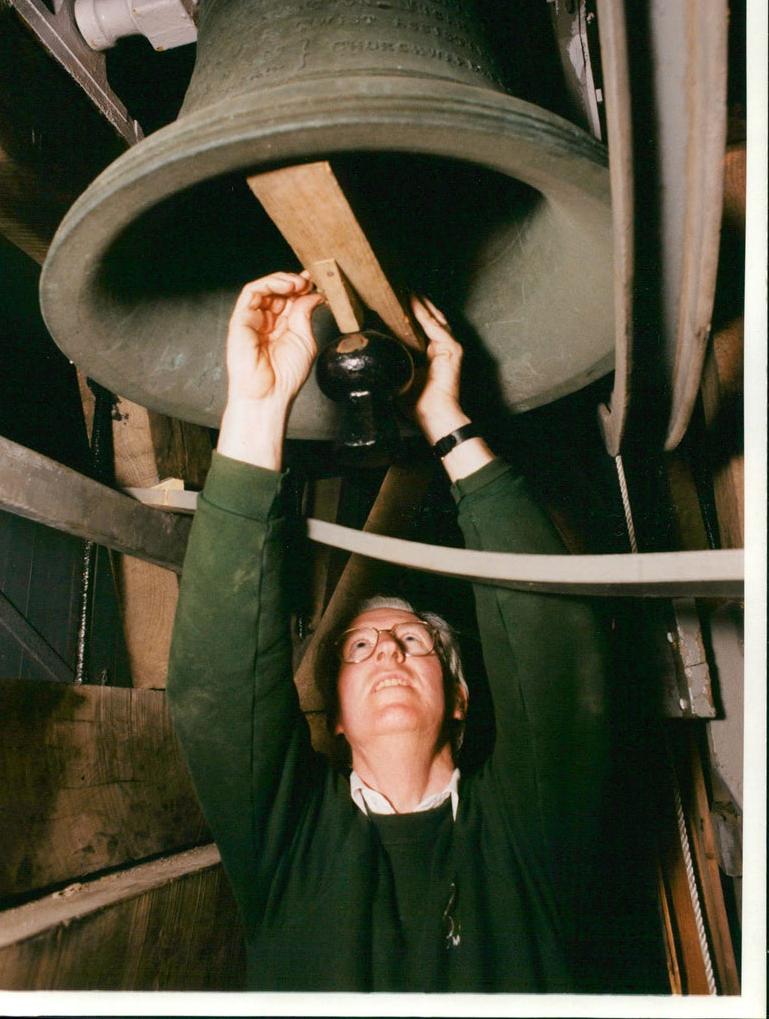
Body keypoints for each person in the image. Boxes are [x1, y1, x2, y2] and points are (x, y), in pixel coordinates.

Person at [167, 270, 610, 993]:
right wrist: (257, 408)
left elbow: (553, 646)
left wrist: (445, 419)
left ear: (460, 698)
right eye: (359, 647)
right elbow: (217, 688)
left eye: (415, 641)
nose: (389, 653)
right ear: (336, 717)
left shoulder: (528, 834)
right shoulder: (287, 848)